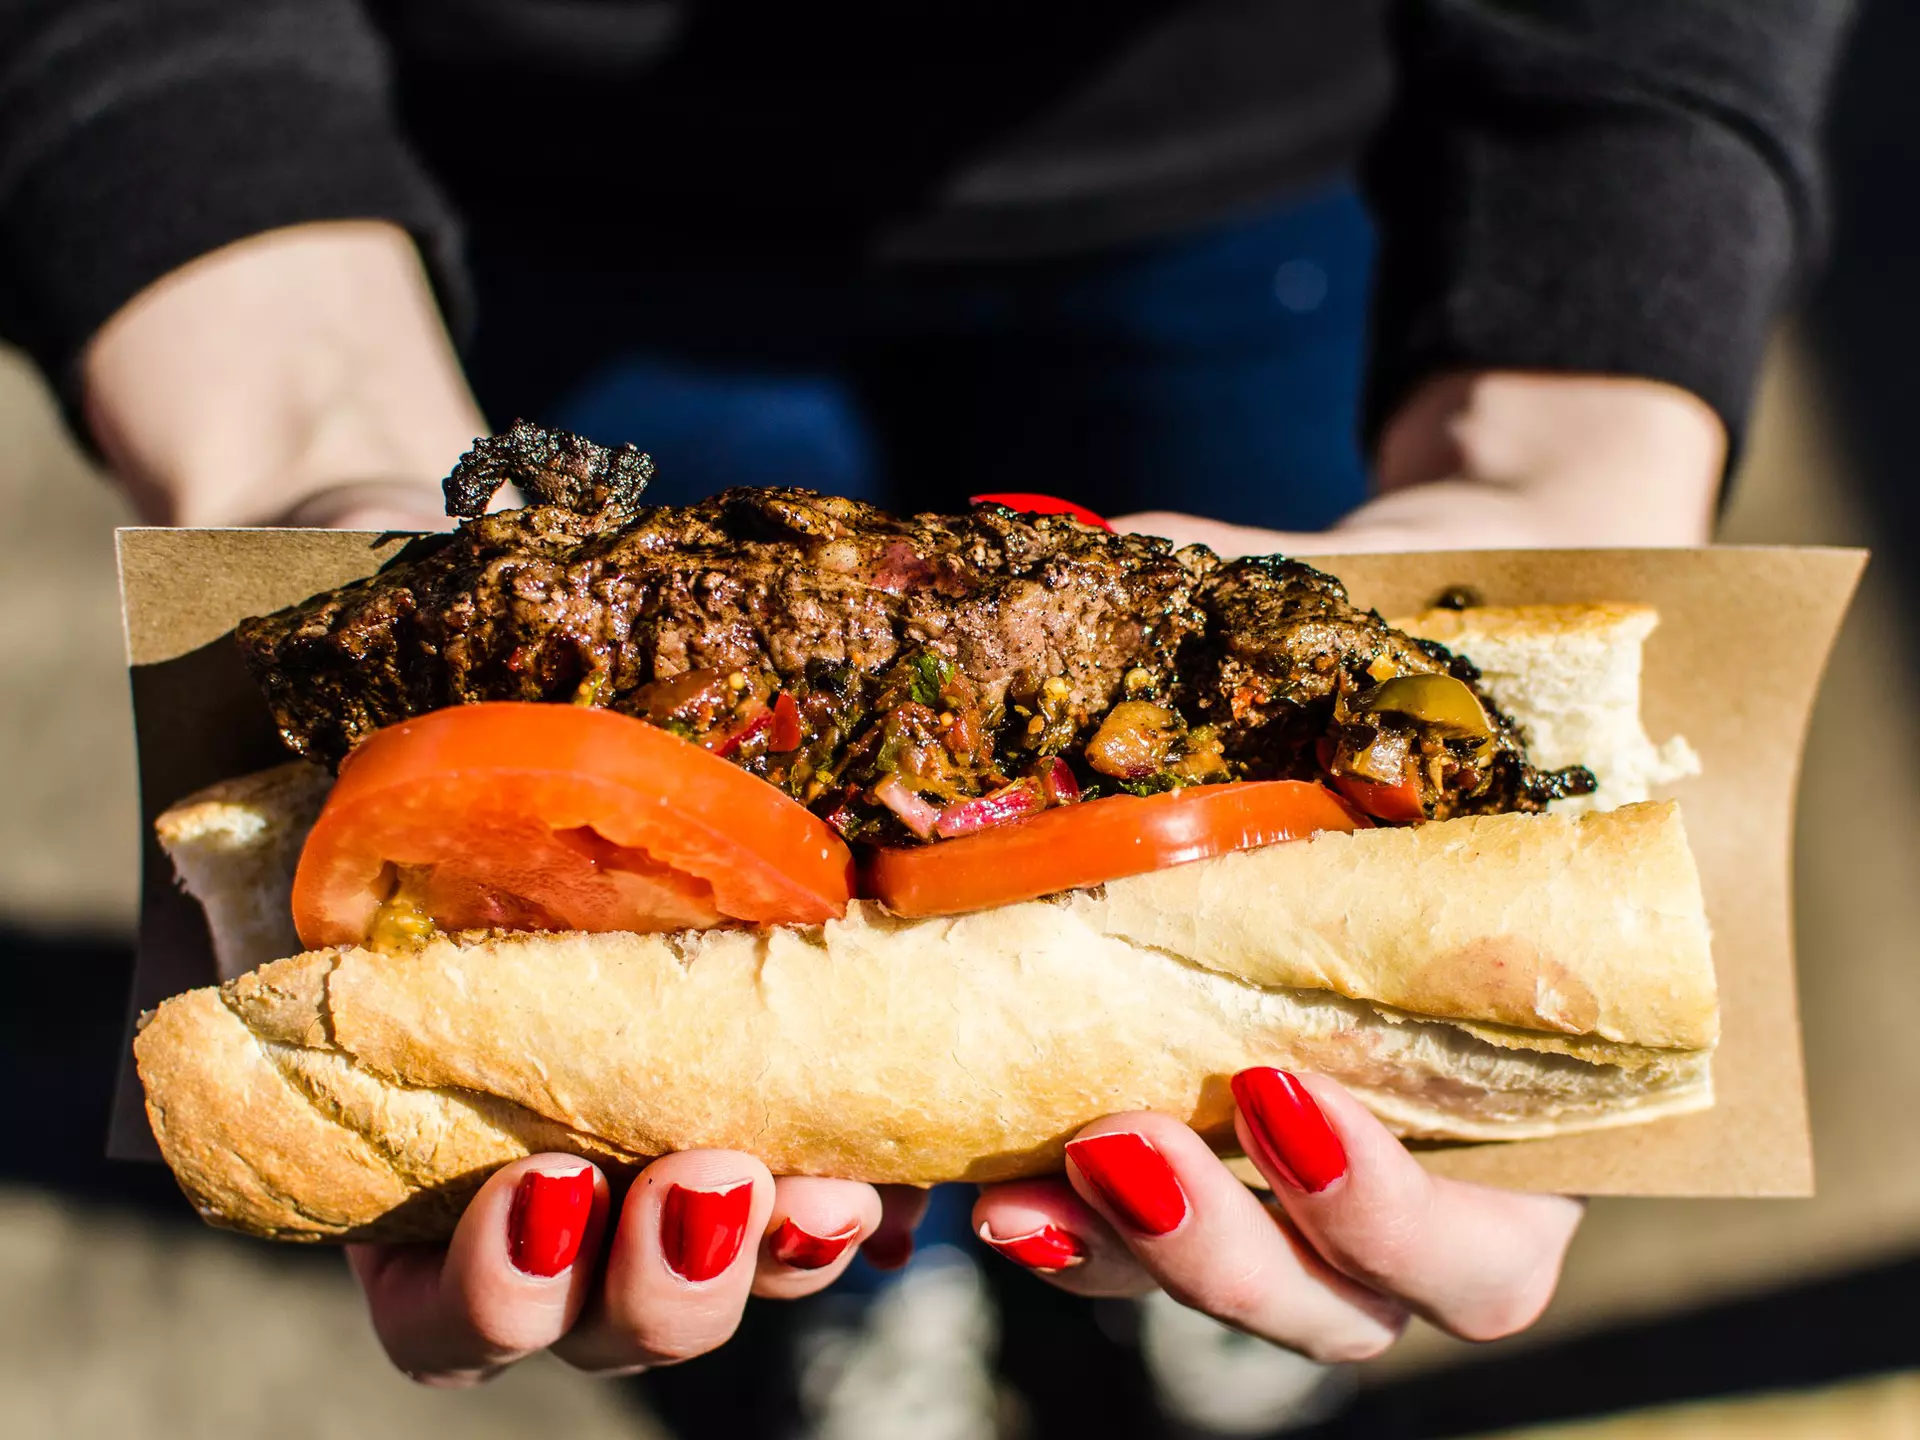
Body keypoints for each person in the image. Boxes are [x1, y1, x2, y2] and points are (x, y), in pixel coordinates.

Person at [0, 0, 1850, 1427]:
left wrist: (1555, 444)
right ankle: (863, 1299)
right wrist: (299, 439)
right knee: (756, 1133)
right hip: (538, 172)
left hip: (1268, 161)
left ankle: (1193, 1281)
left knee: (1264, 620)